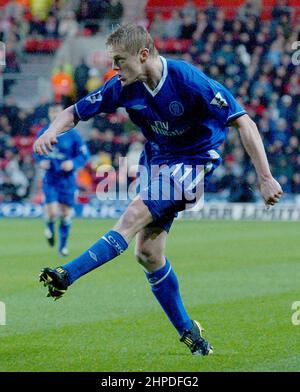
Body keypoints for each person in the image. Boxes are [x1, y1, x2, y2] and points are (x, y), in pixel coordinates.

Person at [33, 24, 283, 356]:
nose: (114, 69)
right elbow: (73, 112)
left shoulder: (189, 81)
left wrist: (265, 177)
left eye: (120, 61)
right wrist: (51, 131)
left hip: (193, 161)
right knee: (147, 254)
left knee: (132, 215)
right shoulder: (123, 87)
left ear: (144, 55)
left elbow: (244, 121)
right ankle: (191, 334)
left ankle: (67, 274)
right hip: (158, 160)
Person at [34, 103, 90, 257]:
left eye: (57, 111)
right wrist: (40, 161)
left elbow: (85, 155)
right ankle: (50, 228)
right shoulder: (43, 132)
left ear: (62, 113)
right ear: (49, 113)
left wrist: (73, 163)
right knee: (52, 213)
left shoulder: (73, 135)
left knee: (65, 214)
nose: (54, 114)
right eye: (52, 111)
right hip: (51, 179)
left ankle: (62, 247)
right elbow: (36, 151)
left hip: (68, 180)